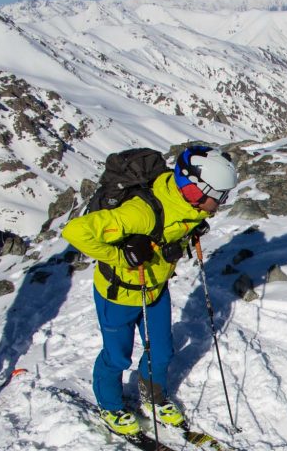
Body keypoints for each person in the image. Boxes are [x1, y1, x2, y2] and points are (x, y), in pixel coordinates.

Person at [62, 145, 238, 435]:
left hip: (155, 289)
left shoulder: (188, 207)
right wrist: (122, 256)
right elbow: (75, 231)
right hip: (118, 294)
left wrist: (188, 233)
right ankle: (110, 406)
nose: (222, 201)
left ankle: (153, 398)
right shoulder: (140, 213)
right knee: (117, 356)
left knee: (161, 350)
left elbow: (172, 227)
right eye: (219, 194)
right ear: (195, 189)